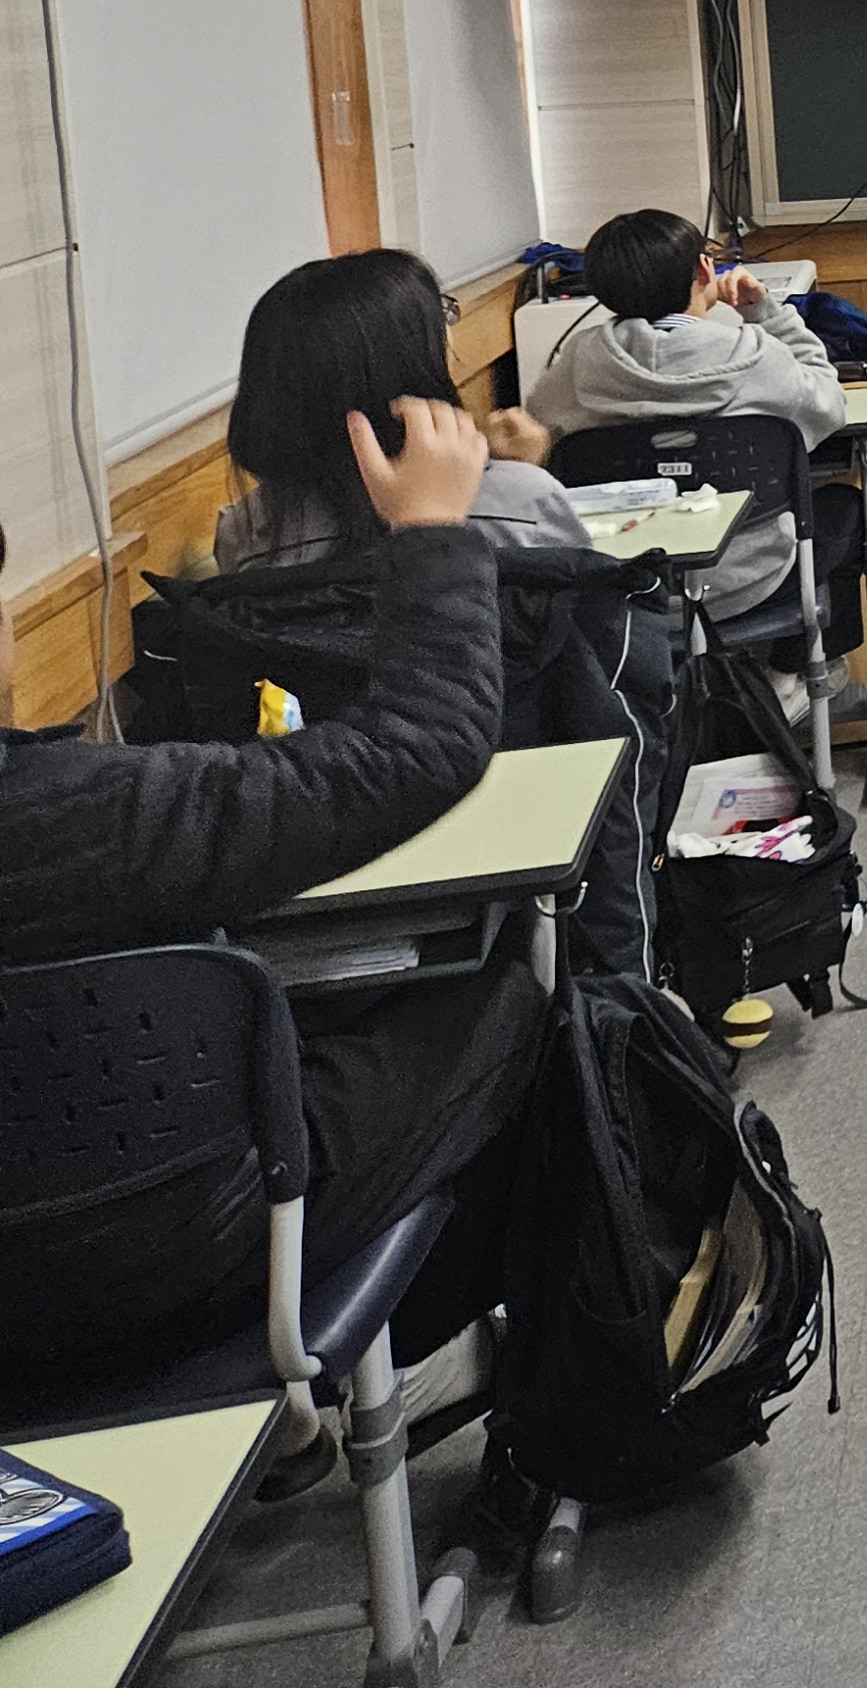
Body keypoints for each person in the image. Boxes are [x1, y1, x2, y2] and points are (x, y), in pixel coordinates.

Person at [0, 406, 553, 1404]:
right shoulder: (92, 816)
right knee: (508, 991)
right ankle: (503, 1377)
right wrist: (432, 532)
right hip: (188, 1271)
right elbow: (418, 749)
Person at [527, 207, 849, 629]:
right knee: (844, 507)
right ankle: (793, 665)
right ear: (703, 270)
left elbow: (537, 436)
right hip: (746, 582)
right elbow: (830, 405)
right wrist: (767, 313)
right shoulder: (756, 354)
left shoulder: (576, 363)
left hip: (624, 591)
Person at [216, 249, 590, 569]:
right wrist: (524, 473)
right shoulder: (525, 499)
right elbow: (579, 608)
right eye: (441, 317)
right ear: (409, 360)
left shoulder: (243, 533)